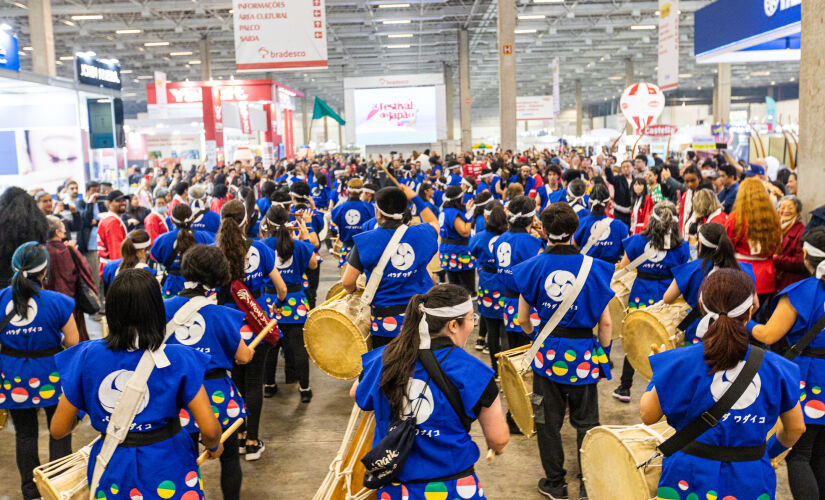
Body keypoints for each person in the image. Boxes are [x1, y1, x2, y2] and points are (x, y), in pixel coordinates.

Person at [50, 268, 223, 500]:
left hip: (112, 466)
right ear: (156, 309)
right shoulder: (180, 359)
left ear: (111, 310)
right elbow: (210, 429)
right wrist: (213, 447)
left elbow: (58, 429)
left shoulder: (86, 356)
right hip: (168, 463)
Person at [641, 269, 805, 500]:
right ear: (750, 312)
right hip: (751, 476)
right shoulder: (778, 368)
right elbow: (796, 428)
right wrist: (769, 453)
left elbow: (648, 414)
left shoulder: (678, 362)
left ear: (701, 305)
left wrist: (659, 375)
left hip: (688, 475)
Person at [350, 284, 509, 500]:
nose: (473, 324)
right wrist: (496, 447)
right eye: (472, 318)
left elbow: (356, 394)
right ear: (453, 325)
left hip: (397, 489)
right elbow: (498, 438)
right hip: (455, 487)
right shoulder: (475, 372)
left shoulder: (384, 358)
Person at [512, 202, 614, 500]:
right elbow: (605, 324)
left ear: (542, 231)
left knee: (547, 422)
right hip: (584, 355)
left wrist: (536, 337)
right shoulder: (595, 268)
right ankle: (587, 483)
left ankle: (556, 484)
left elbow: (521, 319)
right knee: (587, 423)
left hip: (547, 357)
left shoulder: (533, 266)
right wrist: (603, 355)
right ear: (576, 231)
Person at [165, 245, 254, 497]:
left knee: (185, 462)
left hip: (177, 394)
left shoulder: (163, 309)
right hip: (218, 396)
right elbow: (244, 356)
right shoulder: (223, 314)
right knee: (230, 459)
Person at [0, 242, 78, 499]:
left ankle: (30, 492)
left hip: (14, 379)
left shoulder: (1, 300)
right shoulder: (59, 302)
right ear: (45, 272)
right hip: (52, 377)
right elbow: (73, 343)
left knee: (24, 434)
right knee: (60, 431)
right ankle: (57, 488)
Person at [753, 227, 825, 497]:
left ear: (805, 255)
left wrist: (741, 320)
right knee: (821, 454)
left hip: (810, 378)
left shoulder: (801, 291)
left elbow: (768, 334)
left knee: (799, 454)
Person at [218, 199, 286, 460]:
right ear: (247, 221)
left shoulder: (216, 251)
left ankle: (238, 434)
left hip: (227, 328)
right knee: (255, 383)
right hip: (256, 327)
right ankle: (253, 442)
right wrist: (277, 307)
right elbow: (280, 288)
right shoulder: (259, 248)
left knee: (235, 382)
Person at [614, 201, 689, 402]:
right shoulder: (681, 246)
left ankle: (624, 387)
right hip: (668, 298)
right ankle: (665, 393)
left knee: (634, 337)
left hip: (640, 294)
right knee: (666, 340)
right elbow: (684, 276)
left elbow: (624, 269)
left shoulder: (637, 241)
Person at [260, 205, 317, 402]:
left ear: (268, 223)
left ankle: (268, 385)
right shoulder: (299, 245)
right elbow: (313, 265)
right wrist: (305, 235)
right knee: (298, 348)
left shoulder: (261, 246)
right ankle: (305, 389)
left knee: (270, 347)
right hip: (296, 302)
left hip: (269, 302)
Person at [664, 222, 756, 344]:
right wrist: (736, 319)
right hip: (732, 331)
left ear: (700, 244)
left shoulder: (692, 269)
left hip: (698, 330)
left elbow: (667, 298)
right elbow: (755, 304)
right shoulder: (742, 270)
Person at [493, 196, 543, 349]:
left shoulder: (500, 240)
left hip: (508, 302)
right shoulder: (533, 243)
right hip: (528, 307)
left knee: (513, 349)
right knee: (529, 351)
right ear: (532, 218)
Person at [726, 177, 782, 308]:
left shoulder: (737, 218)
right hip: (766, 276)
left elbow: (727, 247)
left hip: (742, 273)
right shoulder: (773, 218)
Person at [44, 216, 95, 341]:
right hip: (70, 301)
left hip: (48, 302)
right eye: (63, 230)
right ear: (57, 233)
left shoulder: (41, 251)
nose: (65, 232)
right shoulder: (67, 250)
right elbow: (86, 271)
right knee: (75, 336)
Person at [469, 200, 507, 369]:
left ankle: (495, 369)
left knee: (492, 328)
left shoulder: (479, 237)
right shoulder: (509, 237)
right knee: (506, 329)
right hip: (506, 283)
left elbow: (473, 250)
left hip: (487, 283)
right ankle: (507, 371)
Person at [151, 203, 216, 298]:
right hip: (198, 286)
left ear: (172, 220)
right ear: (193, 219)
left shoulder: (161, 240)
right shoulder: (206, 237)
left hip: (172, 286)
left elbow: (158, 259)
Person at [573, 184, 629, 264]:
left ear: (589, 202)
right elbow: (629, 250)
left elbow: (573, 247)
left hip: (587, 271)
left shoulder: (581, 223)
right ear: (608, 202)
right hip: (611, 272)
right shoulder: (620, 225)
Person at [438, 185, 476, 293]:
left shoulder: (444, 211)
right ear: (459, 198)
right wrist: (469, 214)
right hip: (458, 252)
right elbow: (464, 232)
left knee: (454, 286)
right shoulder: (453, 213)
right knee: (466, 288)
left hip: (448, 251)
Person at [330, 178, 375, 268]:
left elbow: (333, 228)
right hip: (364, 249)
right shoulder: (370, 208)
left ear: (348, 190)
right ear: (361, 191)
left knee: (345, 279)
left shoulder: (338, 209)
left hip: (346, 248)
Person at [775, 195, 808, 292]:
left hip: (791, 283)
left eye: (790, 207)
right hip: (776, 281)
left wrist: (776, 259)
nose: (786, 211)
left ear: (797, 211)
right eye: (783, 207)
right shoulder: (776, 228)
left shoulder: (801, 231)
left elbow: (800, 262)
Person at [96, 190, 129, 275]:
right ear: (109, 203)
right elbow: (116, 251)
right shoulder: (112, 222)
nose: (123, 203)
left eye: (124, 200)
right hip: (113, 267)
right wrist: (121, 272)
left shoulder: (111, 218)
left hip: (109, 266)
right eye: (118, 201)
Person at [678, 165, 703, 237]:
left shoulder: (704, 195)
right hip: (684, 232)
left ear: (699, 179)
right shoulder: (685, 195)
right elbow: (682, 216)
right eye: (687, 181)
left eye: (693, 180)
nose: (690, 184)